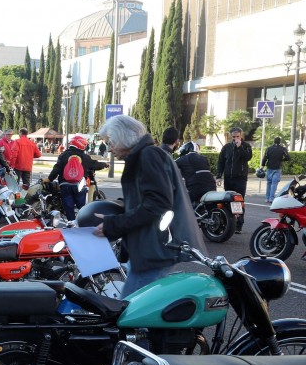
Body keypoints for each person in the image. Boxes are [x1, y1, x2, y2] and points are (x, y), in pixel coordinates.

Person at [93, 115, 204, 297]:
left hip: (156, 248)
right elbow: (148, 198)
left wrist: (115, 224)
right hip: (153, 247)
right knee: (143, 309)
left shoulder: (148, 156)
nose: (109, 149)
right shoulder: (146, 155)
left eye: (110, 142)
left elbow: (157, 204)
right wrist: (119, 208)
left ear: (123, 137)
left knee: (131, 312)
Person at [47, 135, 106, 221]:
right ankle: (82, 222)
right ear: (81, 145)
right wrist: (104, 165)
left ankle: (71, 223)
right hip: (79, 184)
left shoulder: (63, 155)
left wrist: (49, 179)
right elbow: (94, 165)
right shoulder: (85, 157)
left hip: (64, 184)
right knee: (82, 206)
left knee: (68, 207)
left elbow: (56, 169)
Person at [216, 126, 252, 233]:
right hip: (228, 178)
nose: (235, 138)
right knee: (227, 201)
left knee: (238, 202)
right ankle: (228, 222)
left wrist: (240, 147)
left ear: (241, 136)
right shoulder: (226, 147)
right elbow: (221, 162)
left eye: (237, 136)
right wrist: (218, 176)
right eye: (233, 136)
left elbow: (248, 157)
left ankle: (239, 224)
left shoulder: (246, 146)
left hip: (240, 179)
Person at [262, 136, 290, 203]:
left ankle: (267, 198)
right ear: (280, 142)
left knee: (269, 183)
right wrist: (282, 160)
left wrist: (262, 166)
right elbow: (288, 157)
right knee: (274, 183)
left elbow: (265, 158)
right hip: (278, 167)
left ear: (274, 141)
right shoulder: (283, 149)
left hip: (269, 167)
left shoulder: (269, 149)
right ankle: (271, 198)